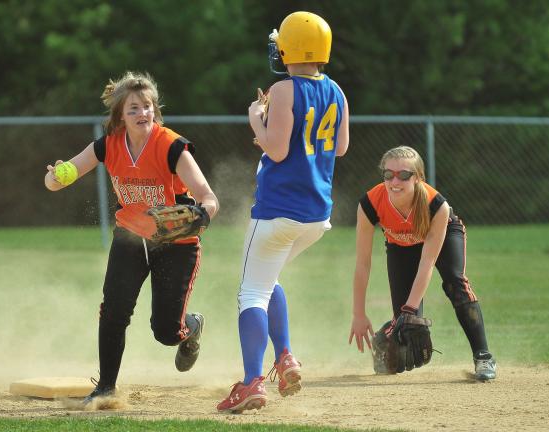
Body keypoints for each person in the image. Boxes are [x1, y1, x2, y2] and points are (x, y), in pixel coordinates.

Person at [44, 71, 219, 404]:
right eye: (134, 108)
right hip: (131, 237)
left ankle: (190, 327)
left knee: (165, 332)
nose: (143, 114)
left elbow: (208, 197)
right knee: (113, 311)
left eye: (148, 106)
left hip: (175, 242)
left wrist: (201, 214)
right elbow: (66, 173)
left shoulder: (171, 146)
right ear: (120, 116)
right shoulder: (108, 145)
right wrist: (54, 178)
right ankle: (106, 387)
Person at [217, 11, 350, 413]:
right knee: (267, 280)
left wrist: (256, 119)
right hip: (315, 215)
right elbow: (340, 147)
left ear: (289, 48)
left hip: (279, 209)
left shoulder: (283, 89)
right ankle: (286, 356)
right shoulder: (337, 91)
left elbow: (275, 149)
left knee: (250, 293)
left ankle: (251, 382)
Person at [348, 146, 497, 381]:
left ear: (417, 177)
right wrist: (358, 313)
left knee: (455, 283)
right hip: (401, 245)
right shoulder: (370, 203)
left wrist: (410, 309)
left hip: (443, 236)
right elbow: (362, 264)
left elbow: (427, 262)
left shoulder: (436, 205)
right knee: (403, 324)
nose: (394, 181)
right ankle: (381, 339)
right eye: (388, 174)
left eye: (404, 175)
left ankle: (483, 357)